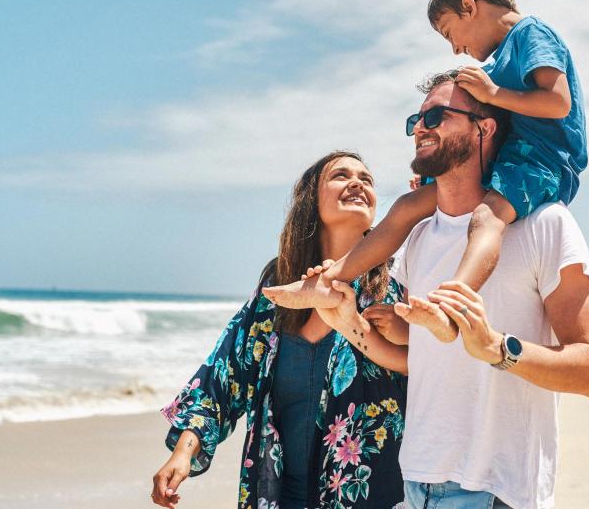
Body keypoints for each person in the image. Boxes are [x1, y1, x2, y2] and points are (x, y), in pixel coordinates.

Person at [266, 0, 586, 330]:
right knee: (405, 208)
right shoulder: (498, 61)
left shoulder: (531, 34)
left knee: (487, 218)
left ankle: (454, 302)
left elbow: (558, 103)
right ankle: (329, 280)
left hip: (542, 162)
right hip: (510, 157)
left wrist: (493, 94)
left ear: (469, 6)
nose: (455, 48)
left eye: (450, 32)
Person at [391, 70, 589, 508]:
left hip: (496, 489)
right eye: (416, 118)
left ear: (484, 128)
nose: (420, 128)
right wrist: (347, 319)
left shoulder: (545, 225)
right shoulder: (417, 238)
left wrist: (496, 348)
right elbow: (419, 353)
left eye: (435, 116)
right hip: (416, 481)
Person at [151, 151, 409, 509]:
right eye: (341, 176)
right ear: (311, 200)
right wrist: (184, 451)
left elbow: (433, 374)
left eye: (366, 179)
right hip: (277, 495)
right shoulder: (279, 287)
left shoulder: (393, 289)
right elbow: (223, 374)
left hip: (369, 496)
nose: (358, 183)